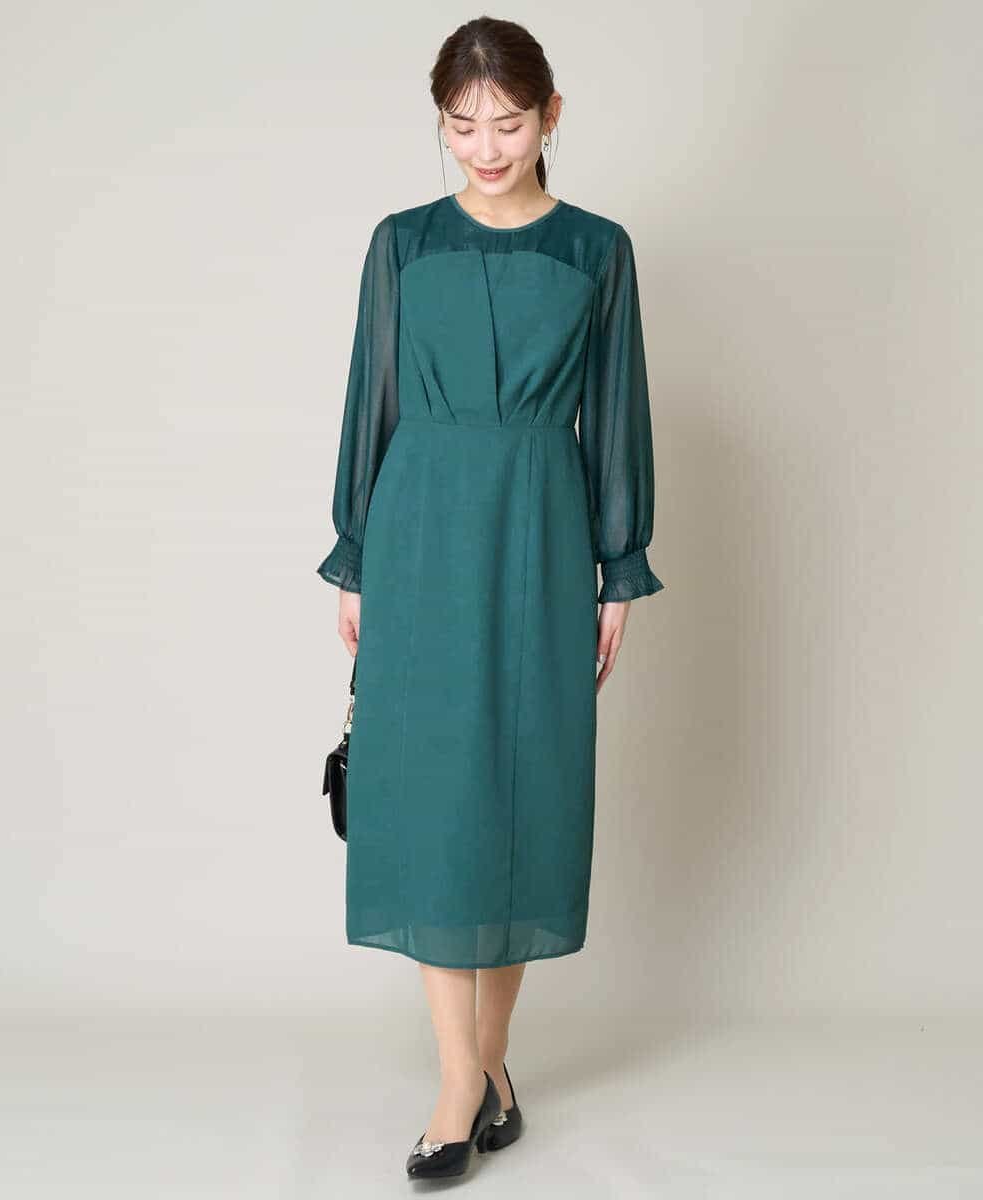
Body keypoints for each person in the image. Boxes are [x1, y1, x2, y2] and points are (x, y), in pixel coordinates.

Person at [316, 16, 664, 1181]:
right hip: (418, 532)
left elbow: (616, 412)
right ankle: (461, 1080)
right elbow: (370, 400)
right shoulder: (401, 244)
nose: (484, 147)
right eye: (461, 126)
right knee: (430, 799)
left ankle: (486, 1067)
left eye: (507, 123)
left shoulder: (596, 251)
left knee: (519, 792)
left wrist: (618, 570)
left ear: (549, 115)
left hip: (539, 535)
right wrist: (355, 556)